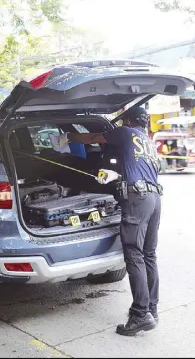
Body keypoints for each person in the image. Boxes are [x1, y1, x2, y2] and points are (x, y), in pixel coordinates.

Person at [58, 105, 162, 336]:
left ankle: (139, 315)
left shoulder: (125, 133)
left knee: (134, 254)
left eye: (123, 121)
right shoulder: (147, 140)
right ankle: (151, 310)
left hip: (138, 198)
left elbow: (95, 137)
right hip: (154, 197)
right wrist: (117, 175)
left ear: (127, 121)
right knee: (149, 254)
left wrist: (69, 137)